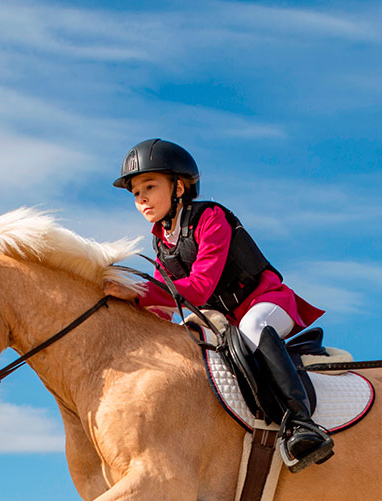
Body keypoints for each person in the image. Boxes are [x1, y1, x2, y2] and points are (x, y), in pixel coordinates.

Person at [109, 139, 333, 471]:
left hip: (266, 302)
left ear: (179, 186)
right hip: (224, 321)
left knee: (253, 328)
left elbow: (198, 290)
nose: (140, 198)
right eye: (135, 192)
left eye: (149, 186)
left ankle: (303, 425)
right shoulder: (161, 241)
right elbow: (163, 303)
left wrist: (138, 290)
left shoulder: (211, 217)